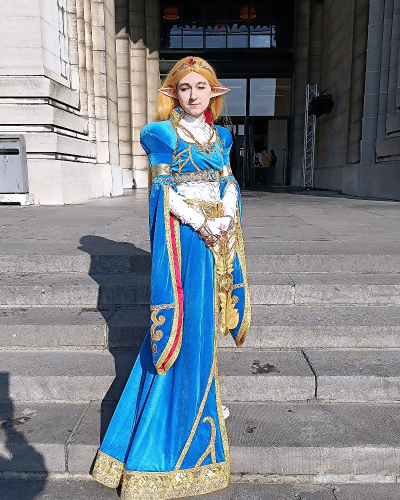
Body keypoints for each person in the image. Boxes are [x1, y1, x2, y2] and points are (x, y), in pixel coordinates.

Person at [91, 56, 251, 500]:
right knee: (189, 319)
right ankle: (181, 409)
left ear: (213, 93)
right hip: (186, 241)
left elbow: (228, 180)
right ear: (173, 93)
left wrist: (226, 215)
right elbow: (163, 192)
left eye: (201, 87)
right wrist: (201, 222)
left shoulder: (221, 136)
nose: (194, 94)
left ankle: (203, 394)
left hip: (217, 238)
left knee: (207, 321)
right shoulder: (159, 134)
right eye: (185, 87)